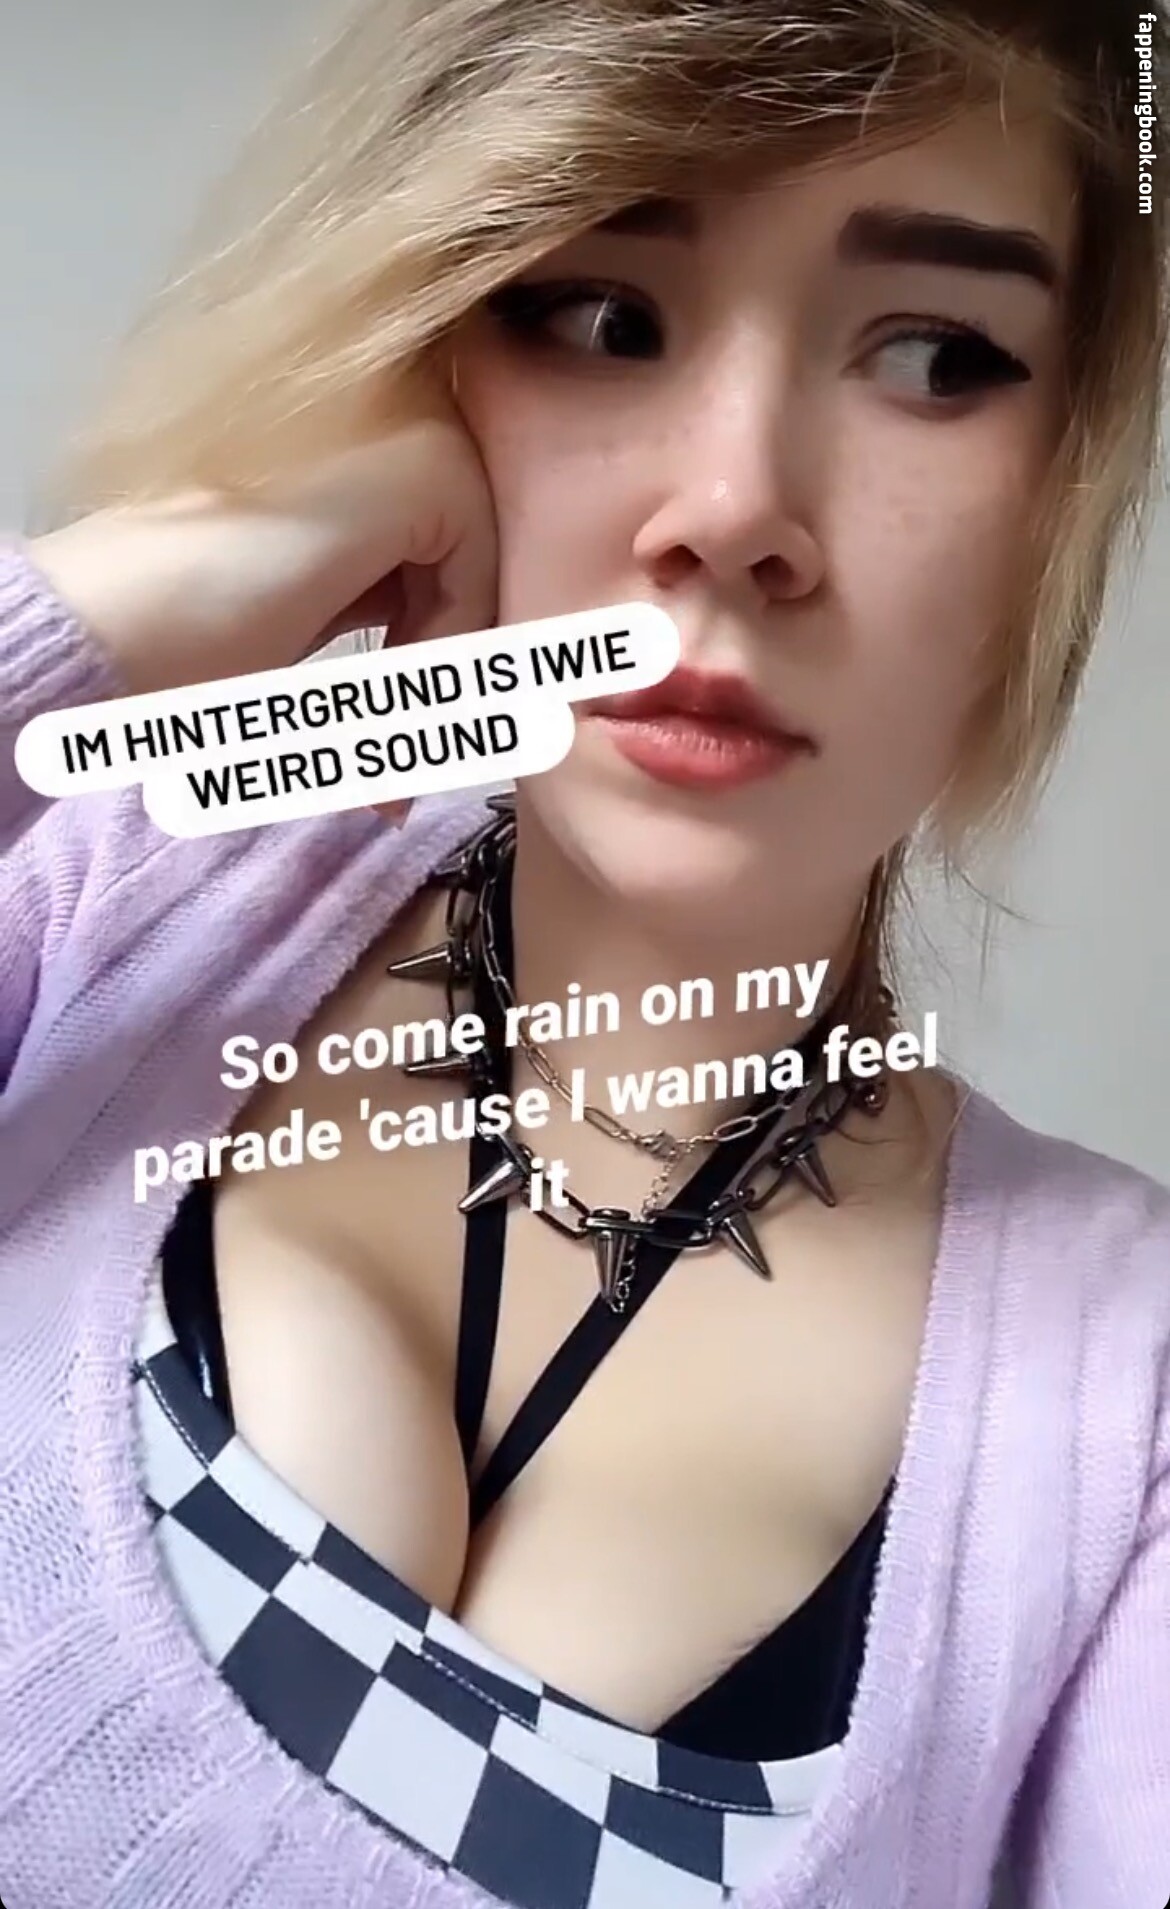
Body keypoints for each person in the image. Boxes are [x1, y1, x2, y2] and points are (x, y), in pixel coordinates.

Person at [1, 3, 1167, 1907]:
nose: (734, 511)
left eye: (935, 355)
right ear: (425, 338)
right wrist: (132, 595)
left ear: (1061, 487)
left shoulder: (1120, 1403)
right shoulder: (100, 887)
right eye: (602, 314)